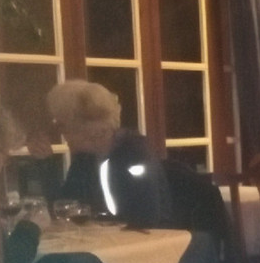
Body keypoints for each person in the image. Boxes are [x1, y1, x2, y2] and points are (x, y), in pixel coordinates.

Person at [42, 80, 171, 228]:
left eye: (62, 126)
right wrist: (46, 162)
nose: (61, 134)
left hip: (149, 239)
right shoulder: (85, 159)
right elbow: (63, 205)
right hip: (103, 238)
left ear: (88, 129)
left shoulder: (135, 154)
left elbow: (147, 217)